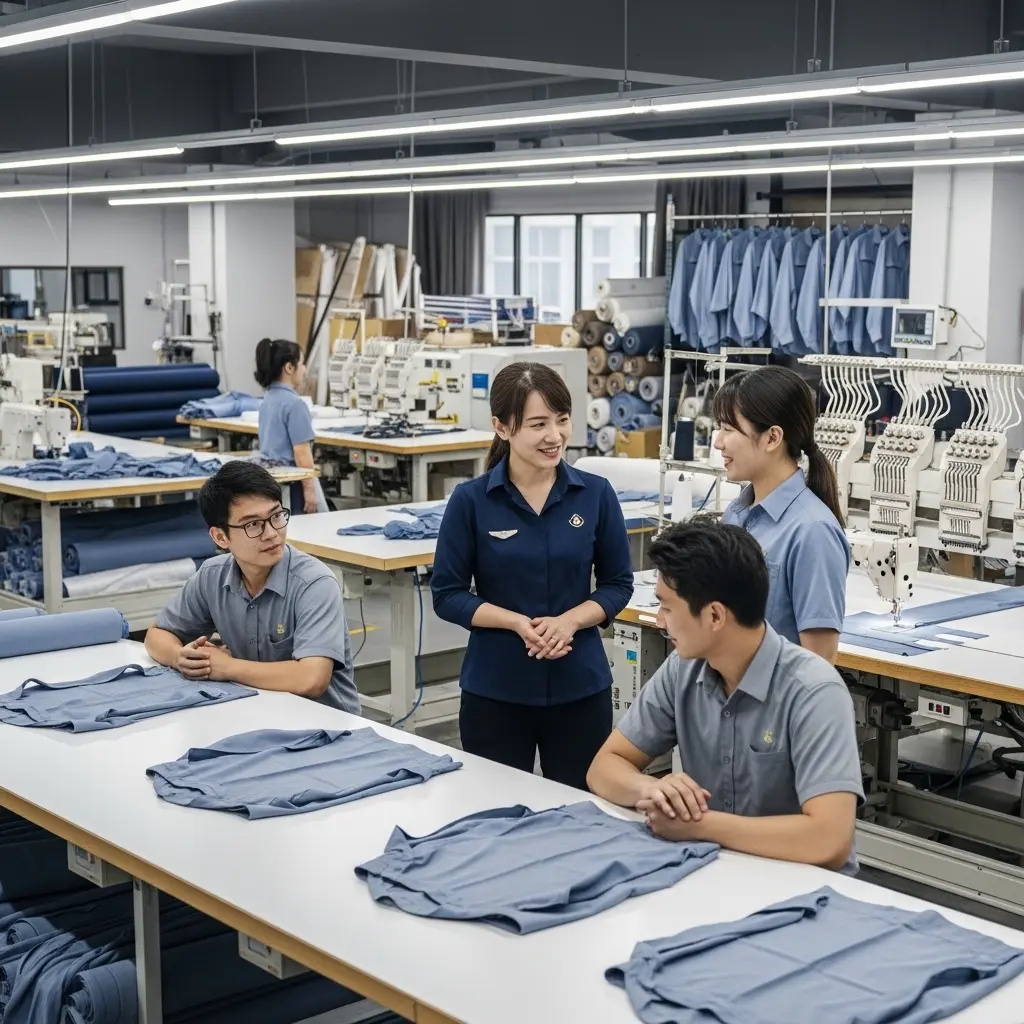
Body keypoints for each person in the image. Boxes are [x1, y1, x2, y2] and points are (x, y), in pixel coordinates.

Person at [587, 517, 863, 873]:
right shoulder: (682, 670)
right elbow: (603, 768)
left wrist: (699, 826)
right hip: (715, 873)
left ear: (715, 615)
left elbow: (829, 841)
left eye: (667, 607)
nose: (659, 621)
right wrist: (652, 790)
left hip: (801, 890)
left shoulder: (814, 692)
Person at [431, 362, 634, 790]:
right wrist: (514, 622)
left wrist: (571, 621)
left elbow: (618, 584)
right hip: (497, 688)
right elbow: (447, 594)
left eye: (561, 421)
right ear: (502, 428)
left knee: (585, 812)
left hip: (580, 686)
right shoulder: (471, 502)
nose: (555, 436)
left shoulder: (596, 495)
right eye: (538, 424)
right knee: (495, 813)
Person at [145, 461, 359, 714]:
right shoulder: (212, 576)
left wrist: (227, 667)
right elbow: (155, 636)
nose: (271, 533)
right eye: (253, 524)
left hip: (325, 727)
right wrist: (180, 657)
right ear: (220, 537)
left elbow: (311, 679)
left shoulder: (314, 584)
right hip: (255, 712)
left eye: (276, 516)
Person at [712, 364, 849, 664]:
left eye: (728, 428)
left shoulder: (813, 532)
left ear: (772, 438)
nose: (717, 441)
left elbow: (818, 665)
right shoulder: (735, 515)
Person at [254, 337, 327, 514]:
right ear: (289, 367)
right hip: (293, 481)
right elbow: (302, 452)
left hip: (271, 479)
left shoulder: (267, 400)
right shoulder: (295, 405)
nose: (304, 369)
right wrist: (309, 490)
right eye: (302, 364)